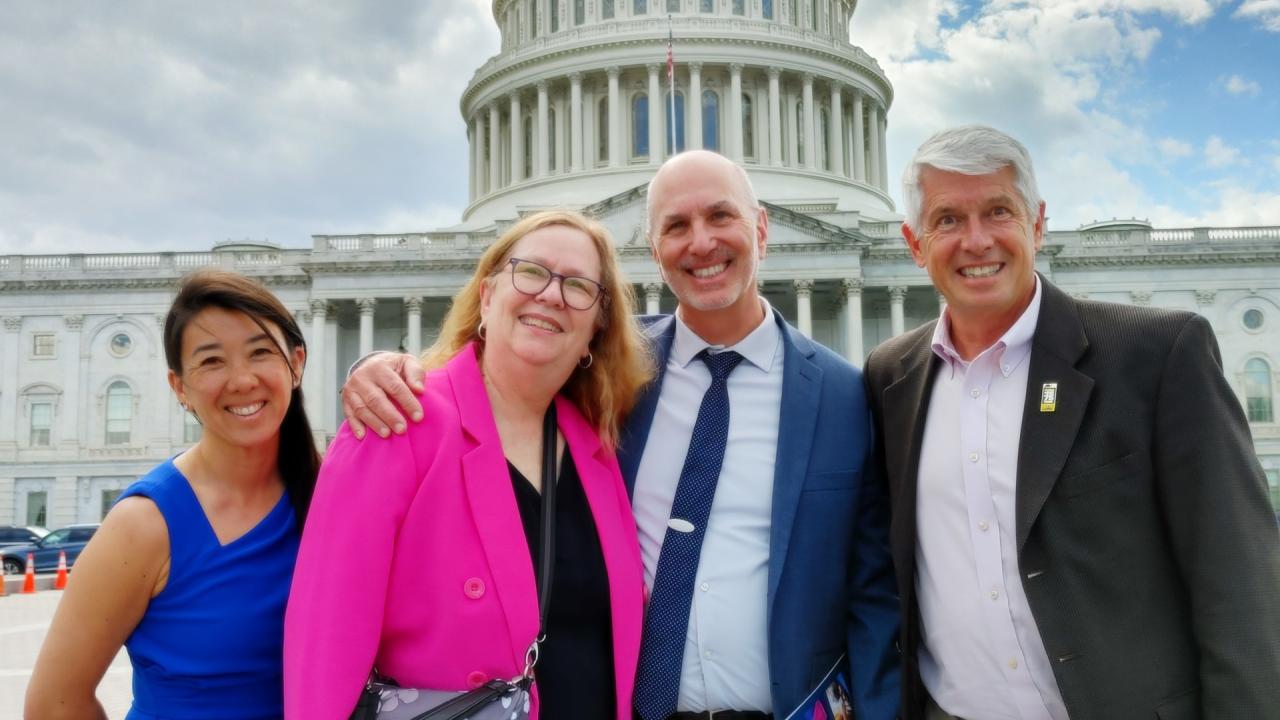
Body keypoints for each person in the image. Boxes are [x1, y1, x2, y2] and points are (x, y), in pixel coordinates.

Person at [341, 151, 901, 720]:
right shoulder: (608, 377)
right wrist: (385, 368)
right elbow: (502, 375)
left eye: (721, 217)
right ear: (654, 252)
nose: (701, 243)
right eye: (676, 226)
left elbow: (873, 590)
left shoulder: (842, 393)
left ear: (761, 228)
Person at [862, 124, 1280, 720]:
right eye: (948, 219)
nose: (975, 241)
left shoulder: (1155, 354)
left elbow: (1240, 582)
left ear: (1037, 223)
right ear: (914, 243)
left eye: (998, 211)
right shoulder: (889, 378)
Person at [283, 210, 651, 719]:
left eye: (578, 286)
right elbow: (326, 637)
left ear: (595, 330)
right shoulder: (398, 420)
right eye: (532, 271)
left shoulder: (599, 450)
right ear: (486, 295)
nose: (550, 294)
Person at [25, 269, 320, 720]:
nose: (242, 380)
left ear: (295, 363)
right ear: (179, 387)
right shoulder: (144, 525)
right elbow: (53, 704)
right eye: (212, 361)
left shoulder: (331, 494)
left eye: (260, 352)